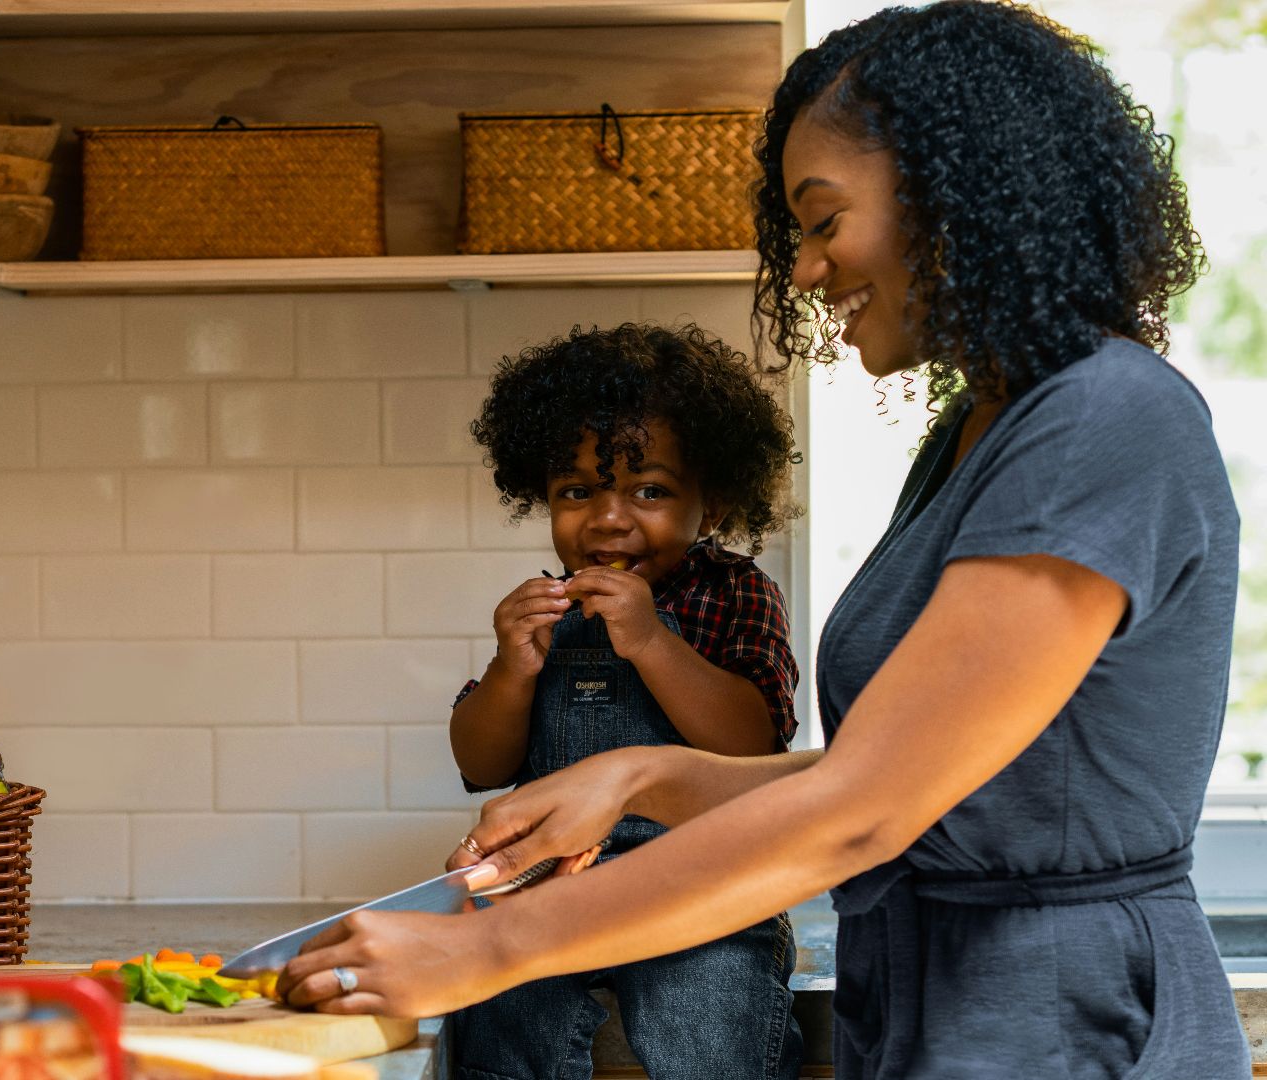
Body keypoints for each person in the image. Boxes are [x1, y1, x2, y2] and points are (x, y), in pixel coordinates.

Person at [276, 4, 1250, 1078]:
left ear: (952, 198)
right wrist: (641, 776)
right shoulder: (977, 433)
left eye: (824, 220)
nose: (806, 270)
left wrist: (487, 948)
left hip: (1064, 1022)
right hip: (951, 1007)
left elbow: (862, 814)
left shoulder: (1104, 420)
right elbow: (908, 779)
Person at [447, 321, 802, 1080]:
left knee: (709, 1013)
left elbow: (756, 747)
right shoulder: (549, 610)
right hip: (552, 882)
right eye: (577, 491)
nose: (607, 518)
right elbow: (481, 763)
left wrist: (650, 641)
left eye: (650, 490)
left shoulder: (736, 592)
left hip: (704, 890)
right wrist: (511, 672)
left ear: (714, 503)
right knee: (495, 1008)